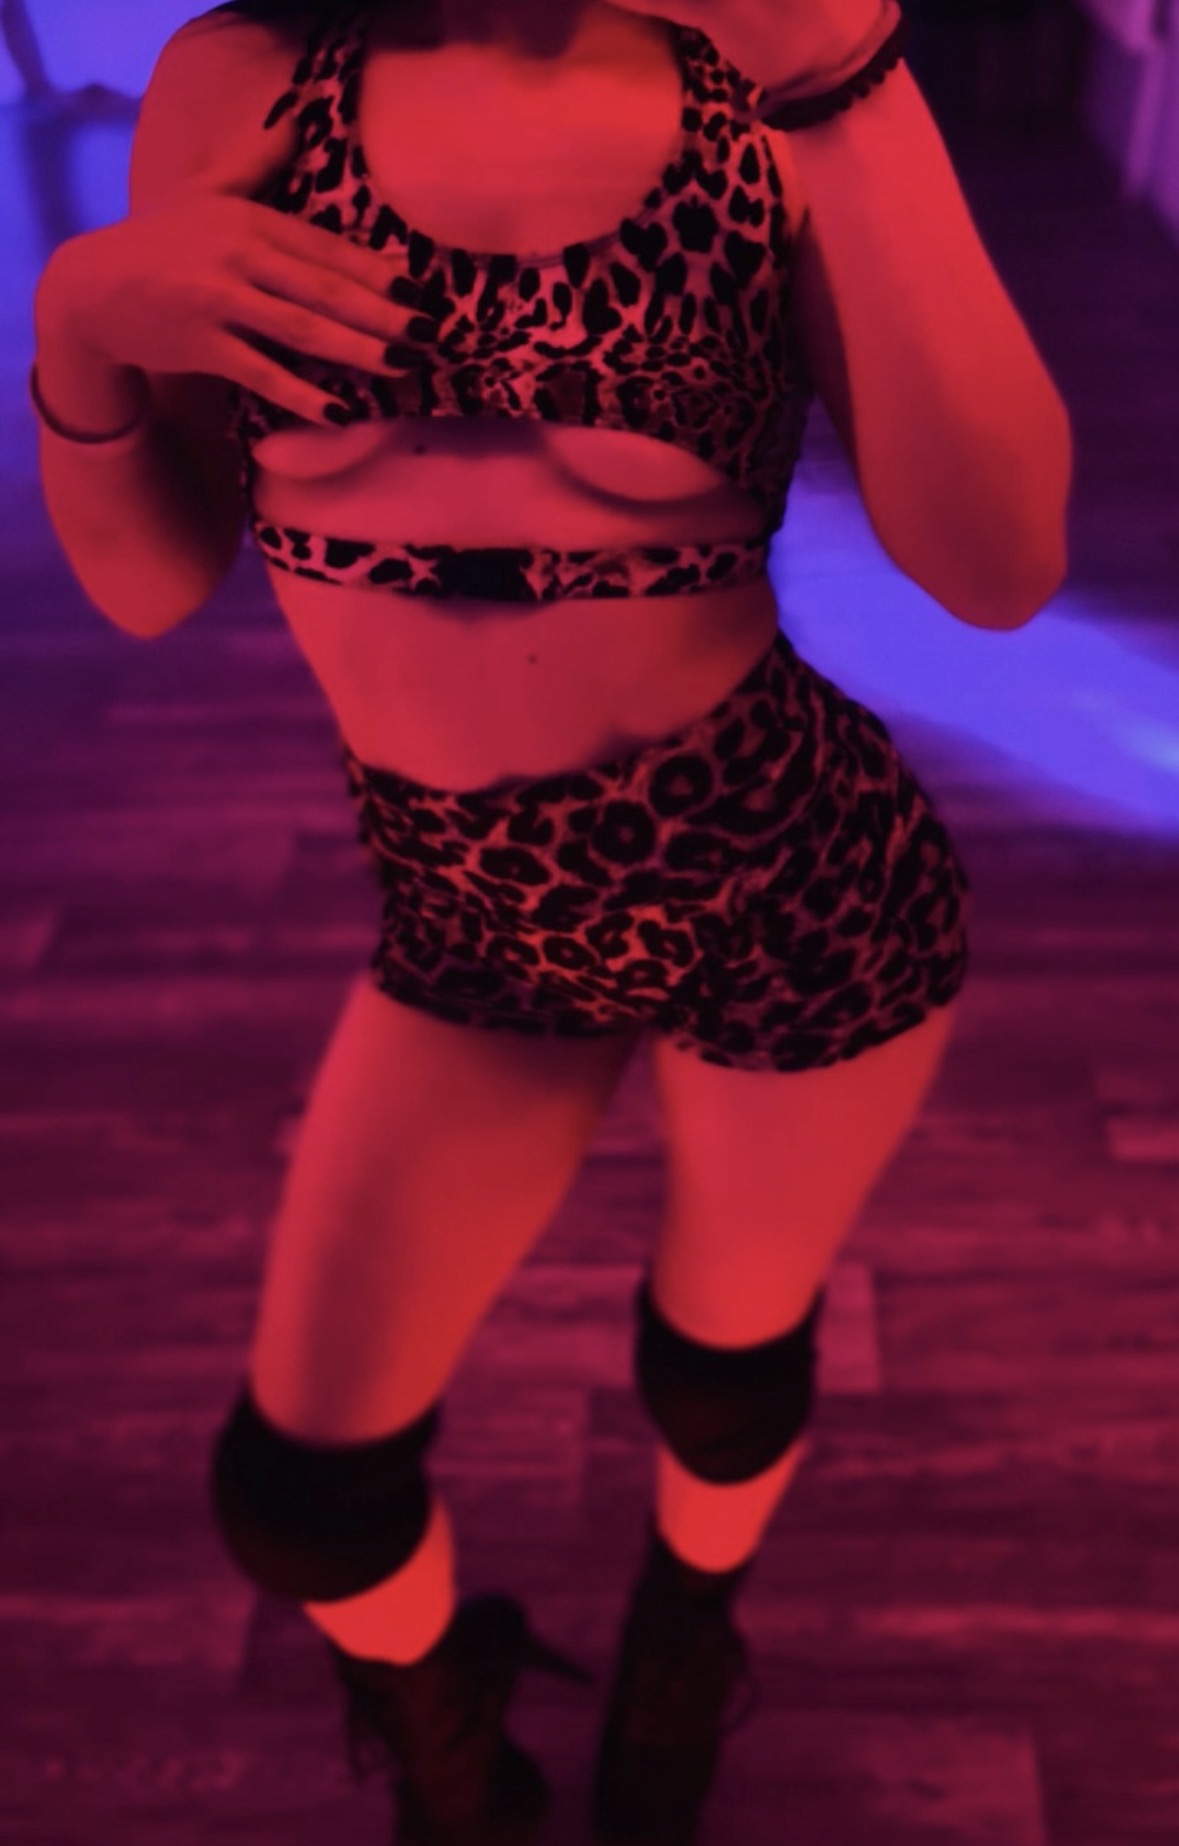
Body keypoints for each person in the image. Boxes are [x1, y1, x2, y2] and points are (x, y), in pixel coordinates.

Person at [30, 1, 1072, 1840]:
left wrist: (850, 86)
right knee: (302, 1491)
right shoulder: (245, 82)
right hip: (471, 904)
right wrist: (77, 329)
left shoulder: (770, 69)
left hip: (786, 880)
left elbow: (999, 567)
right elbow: (151, 582)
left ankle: (685, 1634)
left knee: (722, 1359)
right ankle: (461, 1765)